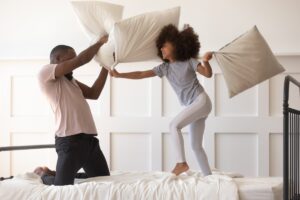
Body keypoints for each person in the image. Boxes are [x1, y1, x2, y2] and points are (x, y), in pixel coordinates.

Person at [110, 24, 213, 176]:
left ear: (176, 44)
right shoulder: (164, 68)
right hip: (194, 105)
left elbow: (207, 74)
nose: (162, 50)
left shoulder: (189, 61)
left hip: (201, 101)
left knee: (173, 125)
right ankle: (208, 176)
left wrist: (205, 61)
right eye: (161, 48)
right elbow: (141, 74)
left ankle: (181, 163)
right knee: (196, 146)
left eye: (164, 46)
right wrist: (120, 75)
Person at [35, 35, 110, 185]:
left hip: (89, 142)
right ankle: (44, 175)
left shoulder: (71, 81)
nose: (74, 65)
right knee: (61, 187)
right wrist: (100, 43)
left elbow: (94, 93)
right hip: (70, 141)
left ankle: (57, 172)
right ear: (57, 58)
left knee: (102, 180)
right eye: (71, 59)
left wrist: (106, 66)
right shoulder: (45, 73)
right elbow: (81, 60)